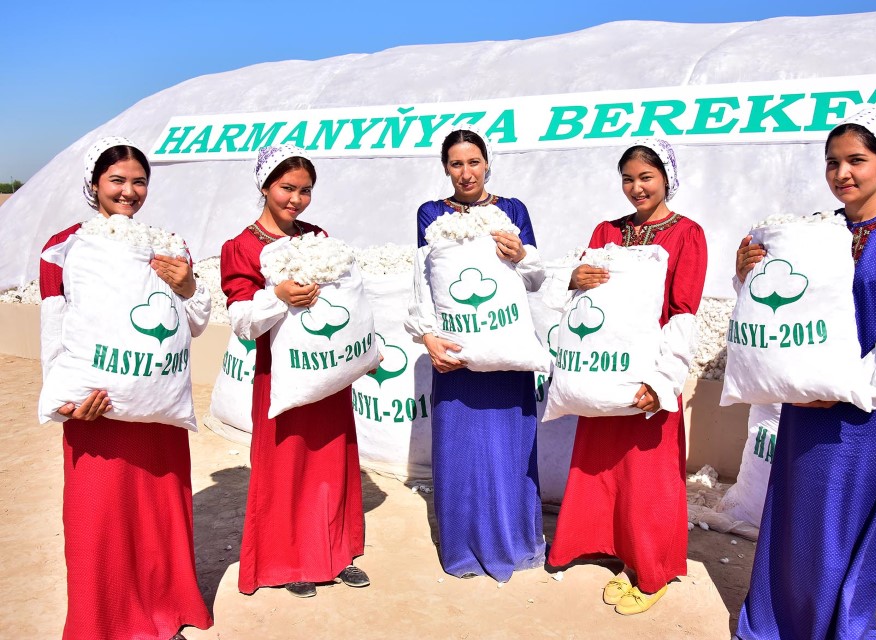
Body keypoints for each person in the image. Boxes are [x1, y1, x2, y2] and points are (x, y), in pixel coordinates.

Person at [734, 106, 876, 639]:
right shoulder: (810, 232)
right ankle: (781, 621)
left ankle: (843, 625)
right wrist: (746, 279)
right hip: (806, 403)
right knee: (798, 516)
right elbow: (778, 314)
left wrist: (854, 388)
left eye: (856, 160)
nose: (842, 173)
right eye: (833, 162)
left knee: (848, 520)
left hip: (866, 408)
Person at [39, 137, 213, 640]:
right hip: (99, 410)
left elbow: (197, 323)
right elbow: (56, 328)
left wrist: (187, 286)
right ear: (94, 185)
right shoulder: (65, 244)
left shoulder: (167, 242)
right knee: (101, 520)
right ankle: (104, 624)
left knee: (159, 513)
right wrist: (64, 402)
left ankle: (165, 612)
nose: (129, 191)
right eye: (117, 180)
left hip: (156, 407)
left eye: (139, 181)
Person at [547, 139, 708, 615]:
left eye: (646, 177)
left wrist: (660, 383)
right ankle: (611, 548)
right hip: (604, 371)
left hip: (646, 374)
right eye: (628, 178)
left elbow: (683, 311)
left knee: (646, 475)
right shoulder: (607, 230)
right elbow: (580, 298)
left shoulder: (686, 234)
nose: (636, 187)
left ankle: (651, 568)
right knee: (603, 466)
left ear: (667, 179)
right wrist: (574, 278)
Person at [220, 144, 369, 597]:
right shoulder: (241, 247)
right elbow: (243, 321)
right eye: (287, 188)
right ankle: (290, 559)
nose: (296, 200)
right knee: (288, 461)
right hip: (282, 374)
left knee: (330, 458)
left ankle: (334, 551)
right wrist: (278, 296)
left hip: (327, 367)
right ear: (265, 186)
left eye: (305, 191)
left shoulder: (318, 237)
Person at [405, 128, 546, 581]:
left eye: (474, 162)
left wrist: (522, 254)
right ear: (445, 168)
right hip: (458, 353)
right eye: (456, 164)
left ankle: (514, 539)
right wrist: (427, 336)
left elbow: (535, 278)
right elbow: (423, 279)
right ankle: (464, 546)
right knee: (461, 447)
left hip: (504, 352)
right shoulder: (430, 213)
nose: (466, 173)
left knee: (508, 445)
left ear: (488, 163)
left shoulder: (514, 210)